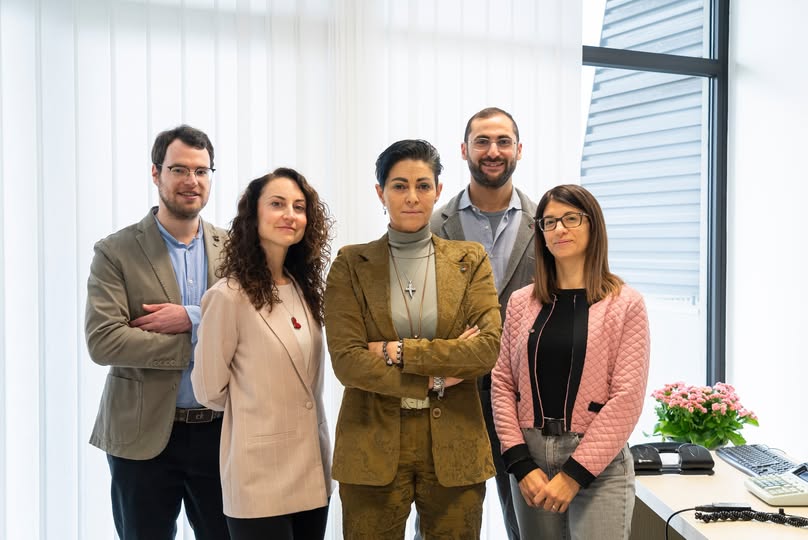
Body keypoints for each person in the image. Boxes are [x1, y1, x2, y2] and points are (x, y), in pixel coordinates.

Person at [324, 139, 502, 539]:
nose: (412, 197)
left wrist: (396, 350)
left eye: (423, 186)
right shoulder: (351, 264)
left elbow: (484, 350)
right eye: (399, 185)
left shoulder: (470, 259)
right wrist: (435, 379)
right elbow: (348, 362)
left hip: (456, 444)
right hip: (370, 443)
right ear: (380, 192)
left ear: (438, 191)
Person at [84, 124, 230, 539]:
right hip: (140, 435)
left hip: (219, 432)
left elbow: (252, 329)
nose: (191, 181)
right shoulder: (115, 251)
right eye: (178, 169)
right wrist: (200, 344)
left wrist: (192, 318)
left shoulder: (235, 248)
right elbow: (104, 340)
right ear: (155, 173)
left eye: (201, 171)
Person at [491, 184, 650, 539]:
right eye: (549, 222)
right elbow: (502, 383)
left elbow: (626, 399)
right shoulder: (521, 302)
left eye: (571, 219)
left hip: (598, 463)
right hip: (531, 461)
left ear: (593, 225)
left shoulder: (626, 304)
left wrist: (574, 474)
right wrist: (520, 462)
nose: (559, 229)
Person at [192, 168, 334, 539]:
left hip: (312, 469)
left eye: (299, 207)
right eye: (277, 204)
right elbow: (208, 390)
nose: (290, 214)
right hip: (259, 474)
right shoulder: (227, 297)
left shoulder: (304, 289)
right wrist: (257, 408)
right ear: (253, 215)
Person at [430, 106, 535, 540]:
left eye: (503, 141)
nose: (493, 151)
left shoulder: (545, 223)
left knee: (527, 520)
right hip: (454, 395)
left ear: (519, 150)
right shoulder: (435, 224)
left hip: (524, 396)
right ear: (464, 150)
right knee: (444, 523)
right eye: (482, 141)